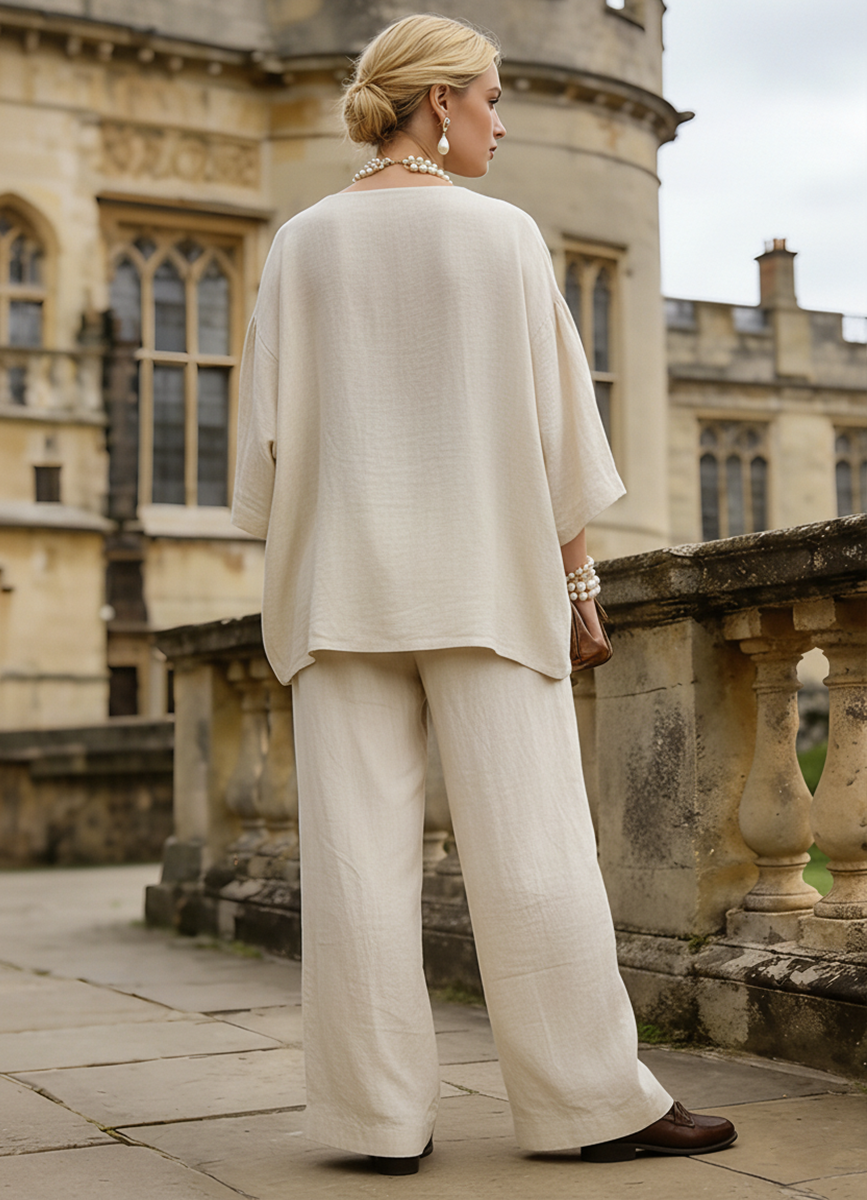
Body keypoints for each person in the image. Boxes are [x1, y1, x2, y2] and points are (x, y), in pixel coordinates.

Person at [231, 12, 737, 1177]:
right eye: (492, 99)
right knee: (534, 853)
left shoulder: (302, 243)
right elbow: (560, 436)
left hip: (340, 590)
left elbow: (262, 452)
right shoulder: (501, 236)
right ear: (438, 102)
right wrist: (580, 583)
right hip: (488, 584)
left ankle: (375, 1123)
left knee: (355, 868)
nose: (501, 124)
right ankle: (589, 1104)